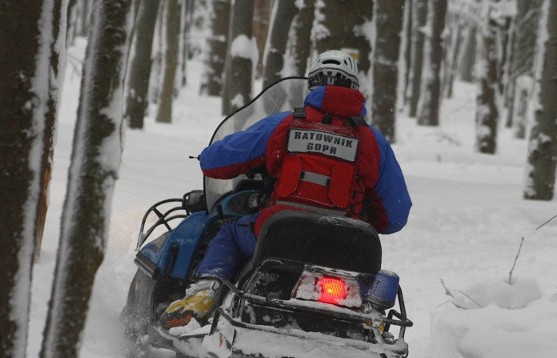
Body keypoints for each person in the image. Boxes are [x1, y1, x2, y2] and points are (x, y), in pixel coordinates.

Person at [160, 50, 412, 333]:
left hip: (279, 239)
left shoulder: (286, 124)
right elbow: (396, 214)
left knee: (229, 231)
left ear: (312, 84)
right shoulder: (373, 142)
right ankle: (366, 319)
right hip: (345, 249)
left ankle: (204, 293)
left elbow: (216, 162)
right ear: (353, 87)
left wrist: (214, 155)